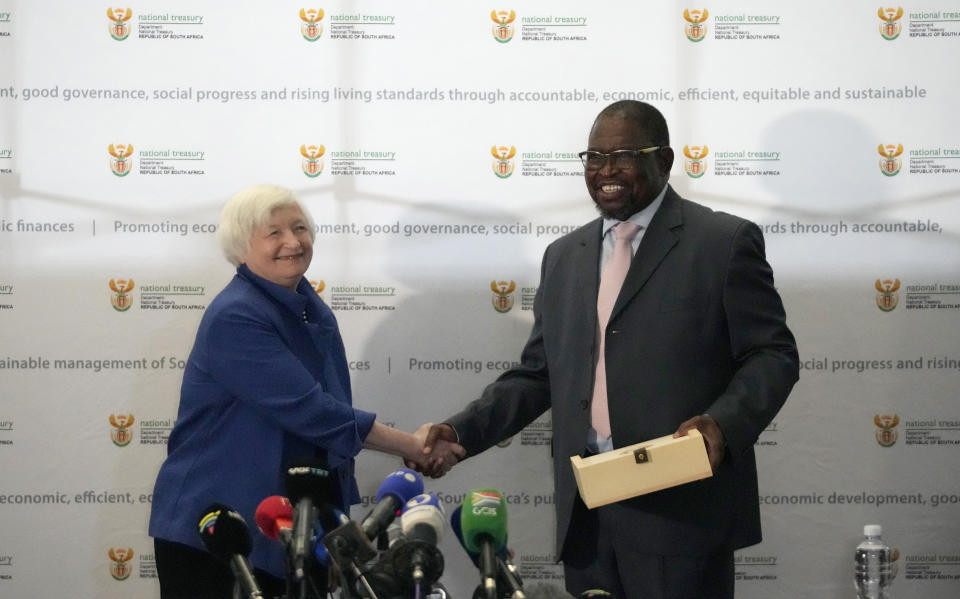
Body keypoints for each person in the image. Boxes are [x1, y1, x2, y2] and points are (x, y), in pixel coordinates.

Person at [417, 101, 799, 599]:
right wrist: (461, 431)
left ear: (664, 159)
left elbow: (772, 354)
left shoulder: (721, 242)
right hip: (588, 517)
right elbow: (538, 375)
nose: (605, 172)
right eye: (594, 157)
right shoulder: (564, 257)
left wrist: (721, 426)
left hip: (679, 514)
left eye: (623, 156)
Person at [148, 184, 463, 599]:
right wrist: (413, 445)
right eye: (274, 233)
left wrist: (332, 530)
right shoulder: (236, 315)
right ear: (241, 247)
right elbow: (315, 413)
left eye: (300, 228)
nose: (293, 242)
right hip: (222, 531)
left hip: (296, 528)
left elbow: (325, 432)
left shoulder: (309, 307)